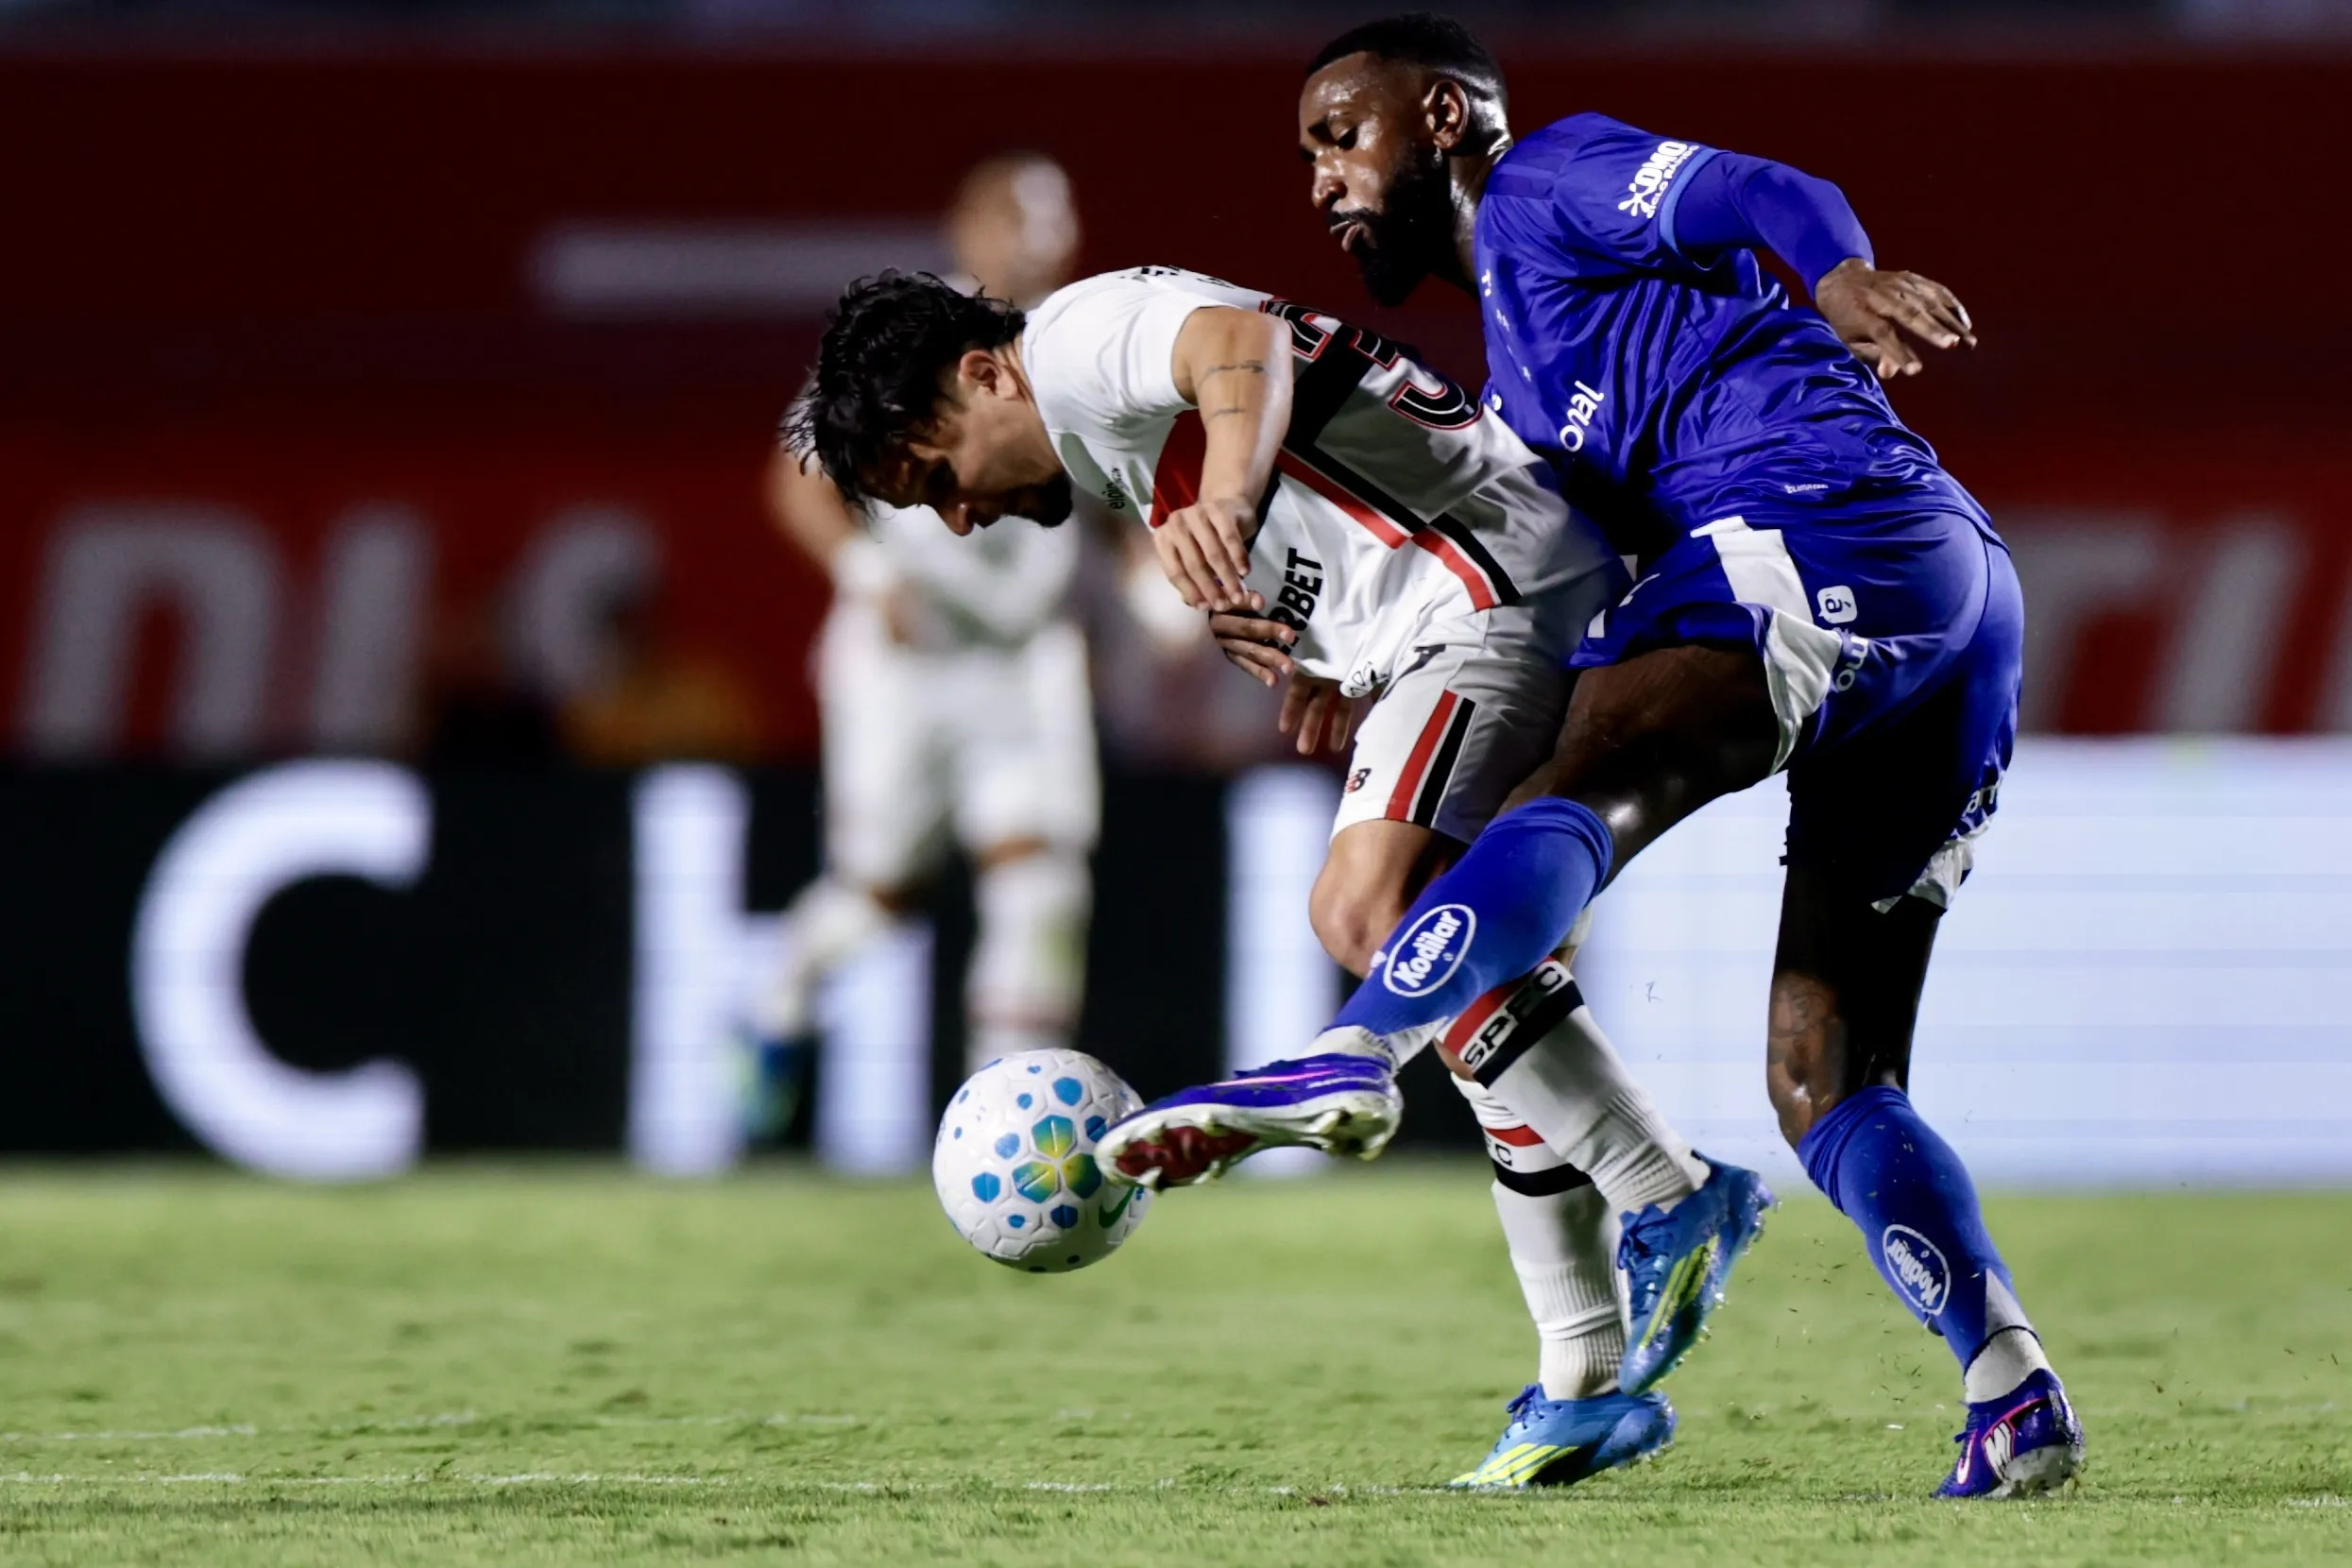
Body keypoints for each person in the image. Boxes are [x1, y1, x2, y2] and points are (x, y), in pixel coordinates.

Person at [1116, 12, 2082, 1500]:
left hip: (1826, 521)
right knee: (1824, 1076)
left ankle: (1354, 1047)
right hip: (1947, 608)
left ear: (1439, 113)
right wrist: (1358, 670)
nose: (1318, 182)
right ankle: (2008, 1384)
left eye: (1337, 136)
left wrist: (1837, 276)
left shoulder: (1543, 181)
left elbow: (1763, 188)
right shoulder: (1523, 378)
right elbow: (1541, 575)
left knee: (1566, 789)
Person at [794, 255, 1751, 1487]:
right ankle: (1582, 1385)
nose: (962, 517)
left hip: (1489, 591)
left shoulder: (1075, 344)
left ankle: (1667, 1191)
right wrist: (1320, 643)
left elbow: (1240, 345)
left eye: (938, 478)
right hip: (1455, 594)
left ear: (982, 372)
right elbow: (1315, 430)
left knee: (1366, 911)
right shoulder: (1103, 424)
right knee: (1475, 990)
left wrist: (1231, 504)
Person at [751, 155, 1099, 1135]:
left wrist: (1159, 595)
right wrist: (874, 576)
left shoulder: (1079, 335)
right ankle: (775, 1003)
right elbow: (795, 481)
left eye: (1054, 218)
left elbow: (1115, 500)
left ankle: (1011, 1121)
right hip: (910, 659)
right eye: (1017, 217)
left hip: (1028, 657)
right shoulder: (905, 339)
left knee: (1042, 881)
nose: (1039, 239)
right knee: (877, 896)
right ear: (966, 227)